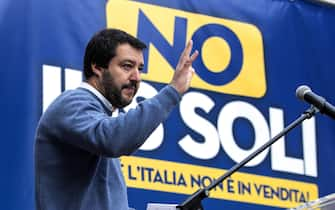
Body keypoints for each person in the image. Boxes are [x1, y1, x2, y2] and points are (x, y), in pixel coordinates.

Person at [34, 28, 198, 210]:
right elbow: (114, 139)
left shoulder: (102, 118)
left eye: (140, 69)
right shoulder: (71, 104)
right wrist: (172, 91)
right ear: (97, 67)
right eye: (127, 66)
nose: (136, 77)